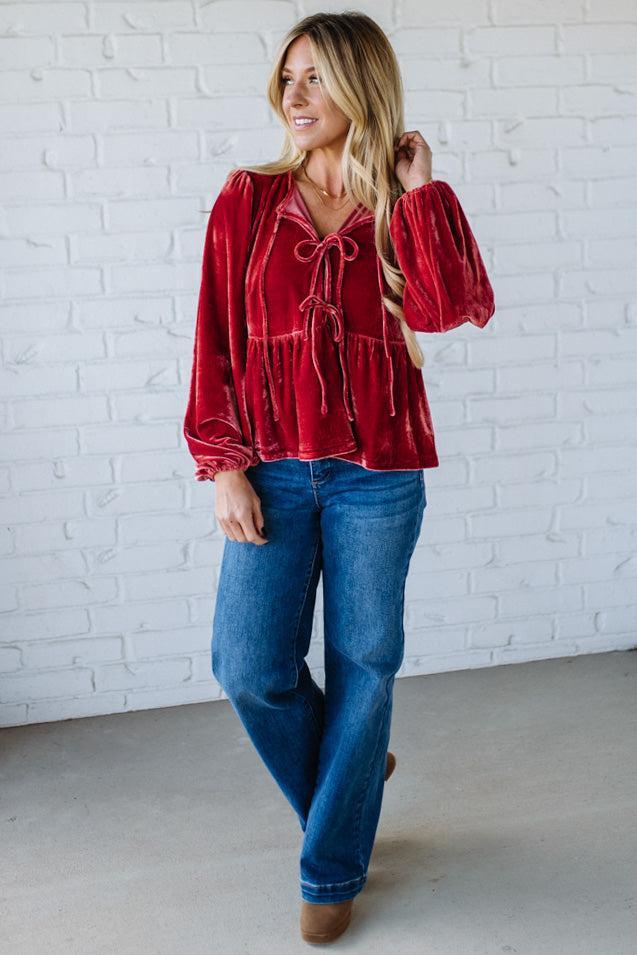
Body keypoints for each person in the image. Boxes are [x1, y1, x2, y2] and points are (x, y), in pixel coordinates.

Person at [183, 11, 495, 945]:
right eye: (288, 77)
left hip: (378, 475)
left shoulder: (400, 204)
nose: (295, 94)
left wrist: (421, 191)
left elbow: (451, 309)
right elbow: (214, 341)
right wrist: (223, 465)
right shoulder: (246, 199)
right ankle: (353, 771)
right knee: (248, 667)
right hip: (272, 469)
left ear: (361, 85)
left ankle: (330, 868)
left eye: (316, 77)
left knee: (365, 661)